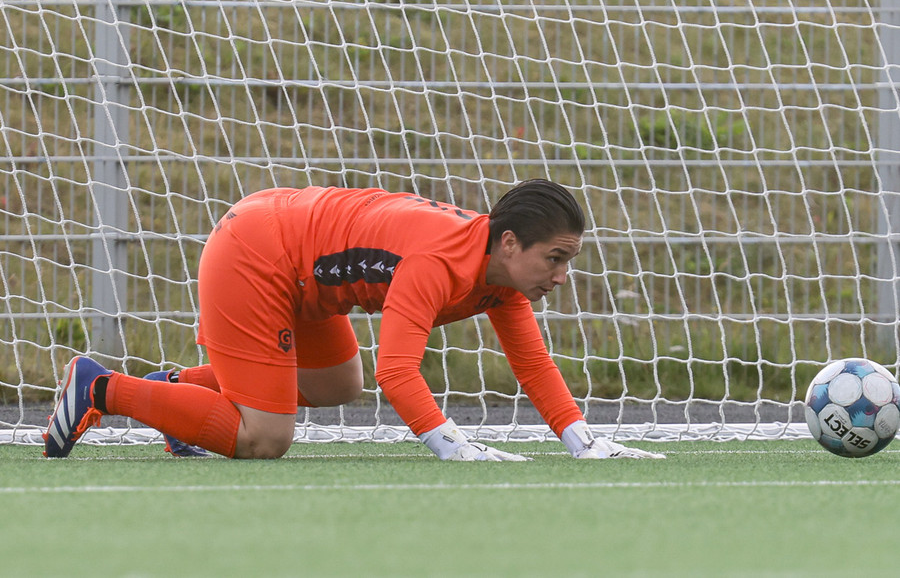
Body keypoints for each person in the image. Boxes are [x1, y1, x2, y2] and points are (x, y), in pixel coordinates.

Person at [44, 179, 664, 461]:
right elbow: (399, 372)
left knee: (337, 384)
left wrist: (584, 443)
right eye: (555, 259)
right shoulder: (437, 262)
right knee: (266, 439)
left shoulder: (499, 275)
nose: (562, 275)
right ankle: (100, 388)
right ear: (508, 243)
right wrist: (453, 445)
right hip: (256, 253)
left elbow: (531, 362)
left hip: (296, 265)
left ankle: (176, 398)